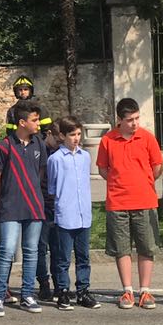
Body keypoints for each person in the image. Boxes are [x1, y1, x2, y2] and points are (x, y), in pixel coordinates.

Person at [97, 98, 163, 309]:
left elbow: (157, 166)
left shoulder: (147, 138)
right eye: (130, 120)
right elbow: (103, 169)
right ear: (119, 120)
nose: (135, 123)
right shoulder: (107, 140)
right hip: (117, 202)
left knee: (146, 247)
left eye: (137, 118)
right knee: (122, 249)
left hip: (145, 200)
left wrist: (143, 182)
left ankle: (145, 291)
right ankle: (127, 290)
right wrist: (120, 183)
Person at [0, 101, 48, 316]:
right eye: (34, 120)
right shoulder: (4, 146)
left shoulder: (39, 144)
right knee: (6, 252)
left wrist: (30, 192)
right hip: (10, 208)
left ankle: (27, 295)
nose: (38, 124)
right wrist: (4, 197)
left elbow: (40, 173)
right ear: (22, 122)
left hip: (34, 206)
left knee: (31, 252)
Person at [46, 115, 96, 308]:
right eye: (72, 135)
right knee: (62, 257)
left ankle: (83, 290)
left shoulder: (85, 157)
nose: (76, 138)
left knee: (84, 256)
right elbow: (52, 187)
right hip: (65, 214)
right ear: (62, 135)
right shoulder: (56, 159)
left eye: (78, 134)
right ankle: (63, 290)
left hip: (83, 213)